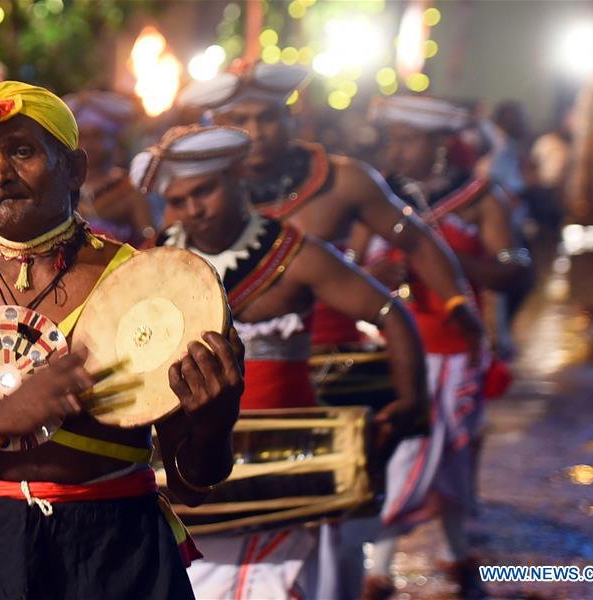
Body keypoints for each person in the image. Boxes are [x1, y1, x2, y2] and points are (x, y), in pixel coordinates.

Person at [0, 81, 244, 600]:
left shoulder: (142, 282)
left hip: (119, 556)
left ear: (75, 169)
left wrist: (215, 423)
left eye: (23, 151)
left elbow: (192, 486)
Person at [132, 124, 429, 599]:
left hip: (293, 467)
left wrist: (413, 401)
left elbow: (391, 313)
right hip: (193, 470)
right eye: (178, 200)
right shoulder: (151, 265)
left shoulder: (294, 252)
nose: (193, 210)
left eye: (204, 192)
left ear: (236, 177)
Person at [178, 61, 485, 363]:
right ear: (216, 126)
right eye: (240, 120)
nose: (255, 132)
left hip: (337, 364)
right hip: (224, 372)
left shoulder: (342, 180)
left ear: (291, 118)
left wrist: (457, 304)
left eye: (267, 117)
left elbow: (416, 240)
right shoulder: (192, 199)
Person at [349, 95, 534, 600]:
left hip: (454, 351)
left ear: (441, 145)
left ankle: (410, 562)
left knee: (441, 451)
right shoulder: (378, 199)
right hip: (392, 352)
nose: (397, 151)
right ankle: (409, 564)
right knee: (410, 452)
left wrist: (440, 261)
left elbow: (516, 268)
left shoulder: (480, 198)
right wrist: (370, 272)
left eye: (408, 140)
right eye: (393, 140)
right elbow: (343, 267)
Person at [63, 90, 156, 245]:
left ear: (114, 141)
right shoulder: (61, 186)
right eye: (82, 137)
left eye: (96, 136)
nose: (88, 144)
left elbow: (149, 239)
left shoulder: (129, 187)